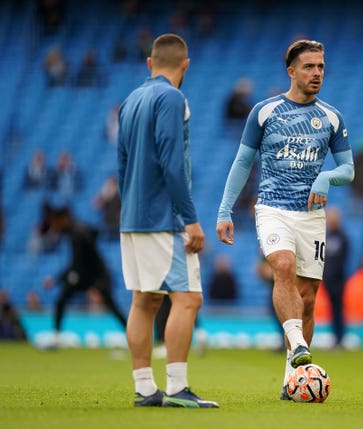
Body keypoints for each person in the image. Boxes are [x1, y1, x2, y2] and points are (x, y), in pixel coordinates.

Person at [216, 39, 354, 400]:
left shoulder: (331, 117)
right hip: (273, 207)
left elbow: (349, 169)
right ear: (291, 71)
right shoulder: (264, 112)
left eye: (321, 66)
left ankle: (290, 381)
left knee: (308, 297)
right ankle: (299, 348)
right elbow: (243, 162)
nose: (317, 73)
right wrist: (224, 210)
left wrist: (326, 178)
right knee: (282, 266)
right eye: (309, 67)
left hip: (311, 216)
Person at [118, 33, 217, 408]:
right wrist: (190, 220)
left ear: (149, 63)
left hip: (133, 216)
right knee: (188, 299)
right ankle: (176, 388)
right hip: (163, 218)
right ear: (185, 64)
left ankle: (145, 388)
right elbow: (172, 162)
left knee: (144, 301)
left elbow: (123, 165)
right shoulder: (172, 98)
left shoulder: (130, 100)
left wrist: (129, 213)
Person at [42, 206, 127, 343]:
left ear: (63, 219)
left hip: (96, 274)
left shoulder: (77, 234)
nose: (55, 226)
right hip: (85, 274)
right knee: (62, 299)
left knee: (111, 306)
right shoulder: (76, 230)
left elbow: (77, 263)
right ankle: (56, 335)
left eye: (56, 222)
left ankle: (131, 336)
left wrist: (57, 279)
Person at [322, 206, 349, 348]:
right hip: (328, 281)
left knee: (338, 310)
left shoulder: (342, 238)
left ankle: (340, 338)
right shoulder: (326, 237)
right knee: (333, 311)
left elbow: (341, 261)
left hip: (338, 282)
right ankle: (336, 338)